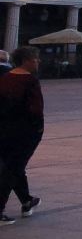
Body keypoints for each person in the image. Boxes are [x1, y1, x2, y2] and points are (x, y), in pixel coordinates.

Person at [0, 47, 44, 224]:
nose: (38, 61)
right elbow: (36, 110)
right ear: (26, 60)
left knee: (14, 166)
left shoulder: (5, 78)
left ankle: (26, 201)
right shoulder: (30, 81)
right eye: (35, 59)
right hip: (24, 132)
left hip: (4, 130)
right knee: (12, 169)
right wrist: (38, 129)